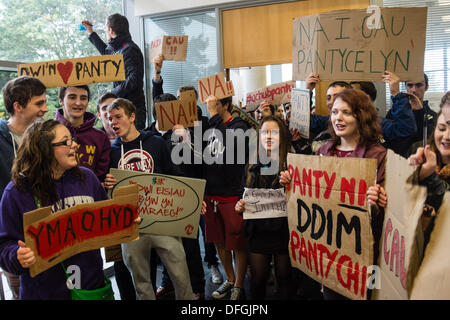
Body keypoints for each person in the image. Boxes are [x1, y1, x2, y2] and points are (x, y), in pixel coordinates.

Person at [281, 89, 387, 300]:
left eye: (346, 112)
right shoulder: (323, 151)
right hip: (329, 252)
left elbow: (385, 210)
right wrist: (292, 184)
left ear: (361, 116)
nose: (338, 117)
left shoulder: (377, 155)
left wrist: (379, 200)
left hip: (363, 253)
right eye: (335, 112)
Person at [0, 119, 107, 299]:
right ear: (44, 150)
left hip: (90, 287)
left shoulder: (87, 178)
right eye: (66, 142)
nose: (74, 145)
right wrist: (17, 256)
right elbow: (4, 246)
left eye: (72, 139)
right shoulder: (17, 191)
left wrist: (127, 221)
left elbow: (107, 220)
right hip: (44, 292)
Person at [105, 98, 195, 300]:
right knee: (141, 284)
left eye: (118, 117)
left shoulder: (156, 143)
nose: (113, 122)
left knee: (181, 276)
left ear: (132, 117)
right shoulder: (110, 152)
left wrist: (193, 197)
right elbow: (108, 192)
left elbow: (174, 174)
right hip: (132, 226)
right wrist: (106, 184)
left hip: (163, 220)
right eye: (110, 119)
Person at [0, 76, 48, 300]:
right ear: (18, 107)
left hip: (45, 235)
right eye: (39, 104)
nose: (46, 109)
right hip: (13, 240)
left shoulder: (44, 137)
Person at [235, 115, 292, 300]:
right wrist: (240, 205)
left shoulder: (292, 163)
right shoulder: (252, 164)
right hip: (258, 231)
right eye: (265, 132)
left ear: (282, 136)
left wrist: (291, 184)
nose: (268, 136)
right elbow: (242, 195)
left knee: (285, 280)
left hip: (285, 231)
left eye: (274, 132)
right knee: (258, 281)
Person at [201, 95, 250, 300]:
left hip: (231, 194)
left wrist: (213, 117)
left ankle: (239, 283)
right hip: (211, 194)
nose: (210, 107)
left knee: (236, 242)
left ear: (226, 105)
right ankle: (229, 278)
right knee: (219, 241)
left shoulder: (240, 126)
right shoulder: (206, 127)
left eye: (216, 104)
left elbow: (228, 152)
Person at [82, 13, 146, 130]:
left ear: (111, 30)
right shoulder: (120, 48)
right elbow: (107, 54)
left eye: (106, 29)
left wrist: (114, 92)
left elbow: (134, 79)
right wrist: (91, 32)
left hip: (133, 108)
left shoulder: (130, 50)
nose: (106, 31)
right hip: (125, 107)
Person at [55, 85, 111, 182]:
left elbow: (101, 179)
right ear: (61, 100)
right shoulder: (47, 133)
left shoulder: (100, 138)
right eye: (72, 97)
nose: (78, 103)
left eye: (83, 98)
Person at [386, 73, 437, 156]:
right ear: (405, 87)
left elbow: (428, 142)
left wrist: (418, 113)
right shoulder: (393, 113)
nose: (414, 90)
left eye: (419, 85)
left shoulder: (433, 117)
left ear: (426, 87)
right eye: (410, 85)